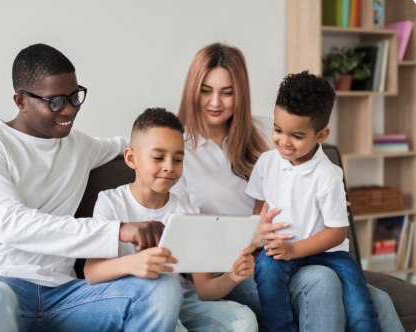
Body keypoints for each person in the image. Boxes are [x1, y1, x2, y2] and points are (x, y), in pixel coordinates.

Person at [0, 44, 183, 332]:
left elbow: (130, 147)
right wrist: (118, 230)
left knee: (161, 288)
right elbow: (12, 225)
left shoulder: (79, 145)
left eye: (74, 97)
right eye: (55, 101)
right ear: (21, 101)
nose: (69, 110)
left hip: (61, 298)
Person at [170, 42, 404, 331]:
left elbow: (310, 171)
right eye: (206, 90)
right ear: (192, 88)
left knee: (377, 300)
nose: (215, 102)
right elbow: (186, 236)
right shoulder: (177, 152)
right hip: (233, 268)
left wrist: (327, 201)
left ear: (240, 93)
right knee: (321, 282)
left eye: (227, 92)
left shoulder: (267, 131)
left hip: (292, 251)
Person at [84, 107, 258, 332]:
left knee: (244, 320)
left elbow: (204, 289)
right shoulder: (111, 202)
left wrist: (231, 277)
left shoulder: (188, 213)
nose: (169, 167)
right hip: (136, 300)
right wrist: (135, 264)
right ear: (131, 158)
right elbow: (91, 272)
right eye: (158, 157)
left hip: (183, 298)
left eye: (178, 159)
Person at [247, 71, 381, 332]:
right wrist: (258, 237)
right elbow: (258, 210)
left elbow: (336, 232)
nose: (284, 141)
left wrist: (295, 251)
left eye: (297, 136)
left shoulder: (328, 176)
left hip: (329, 255)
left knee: (360, 307)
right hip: (281, 249)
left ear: (321, 135)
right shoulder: (266, 163)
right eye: (277, 130)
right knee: (265, 267)